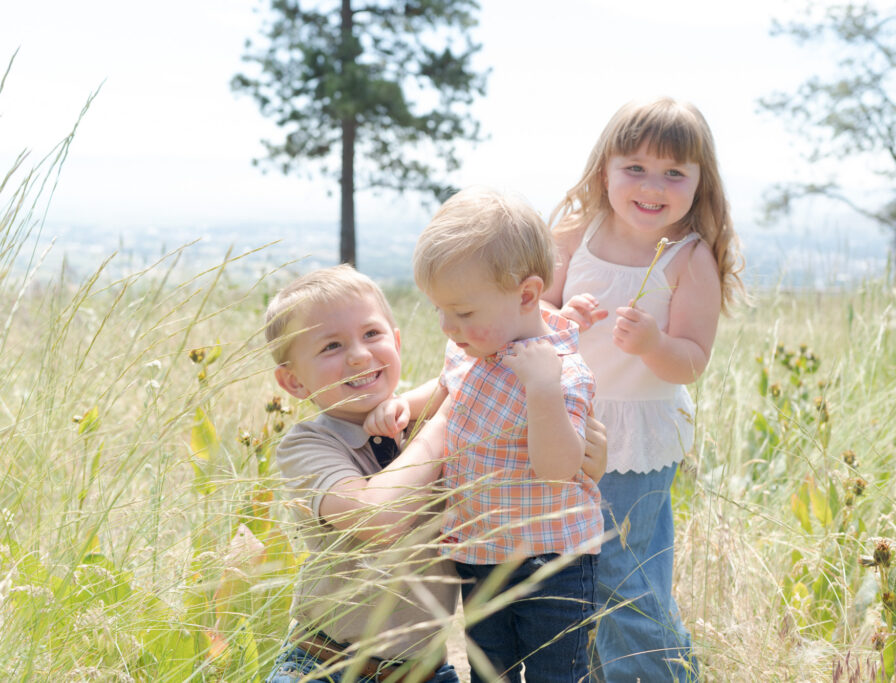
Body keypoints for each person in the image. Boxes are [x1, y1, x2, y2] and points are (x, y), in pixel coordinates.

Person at [261, 264, 608, 683]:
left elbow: (542, 472)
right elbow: (378, 517)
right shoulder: (309, 446)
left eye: (372, 334)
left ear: (397, 341)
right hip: (326, 666)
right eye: (331, 346)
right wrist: (451, 416)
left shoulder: (425, 418)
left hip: (424, 671)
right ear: (294, 382)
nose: (358, 354)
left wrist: (590, 451)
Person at [542, 97, 746, 682]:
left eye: (674, 173)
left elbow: (692, 360)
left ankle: (662, 673)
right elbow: (536, 311)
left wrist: (655, 343)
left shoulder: (688, 258)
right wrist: (562, 318)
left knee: (626, 577)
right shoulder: (577, 233)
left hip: (637, 438)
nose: (652, 186)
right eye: (635, 168)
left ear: (699, 182)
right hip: (568, 423)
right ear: (604, 167)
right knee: (575, 577)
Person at [372, 187, 604, 682]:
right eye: (440, 310)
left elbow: (559, 470)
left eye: (463, 312)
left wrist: (541, 390)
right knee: (488, 670)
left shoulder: (562, 372)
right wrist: (405, 405)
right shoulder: (471, 348)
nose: (446, 326)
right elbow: (449, 388)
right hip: (480, 553)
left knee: (555, 673)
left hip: (551, 561)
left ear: (526, 294)